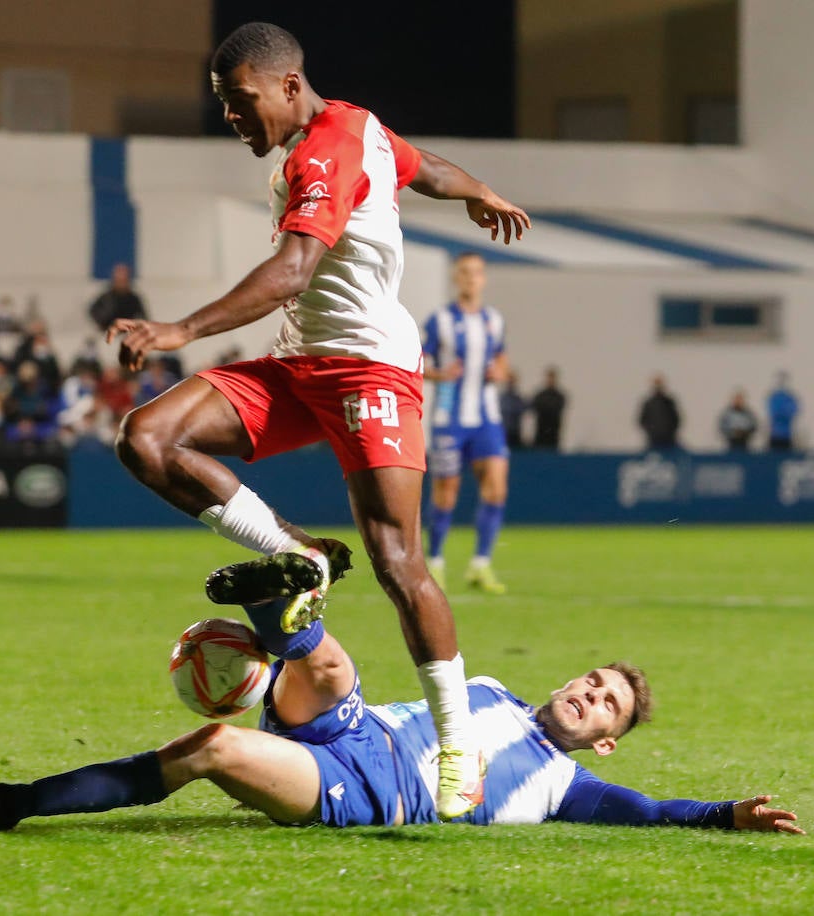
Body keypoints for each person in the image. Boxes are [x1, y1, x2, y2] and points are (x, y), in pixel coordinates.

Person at [104, 22, 531, 820]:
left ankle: (459, 743)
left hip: (370, 370)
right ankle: (296, 552)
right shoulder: (359, 125)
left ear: (289, 86)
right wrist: (477, 191)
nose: (233, 118)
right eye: (226, 106)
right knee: (148, 438)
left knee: (399, 559)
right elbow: (424, 168)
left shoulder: (323, 151)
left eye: (241, 102)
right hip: (301, 368)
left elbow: (294, 268)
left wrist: (179, 332)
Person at [0, 554, 803, 835]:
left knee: (212, 749)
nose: (590, 693)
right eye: (592, 679)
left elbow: (654, 814)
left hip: (364, 790)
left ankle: (15, 803)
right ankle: (283, 607)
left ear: (606, 740)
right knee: (331, 670)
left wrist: (726, 815)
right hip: (354, 726)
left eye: (607, 703)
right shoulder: (494, 689)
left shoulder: (567, 788)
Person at [421, 252, 511, 595]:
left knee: (497, 486)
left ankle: (480, 564)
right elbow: (418, 361)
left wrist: (500, 372)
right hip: (449, 417)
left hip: (487, 417)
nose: (471, 278)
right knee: (447, 491)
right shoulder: (441, 320)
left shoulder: (494, 320)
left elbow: (502, 358)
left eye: (476, 273)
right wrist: (440, 374)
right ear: (456, 278)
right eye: (465, 273)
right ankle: (436, 561)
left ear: (483, 278)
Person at [88, 263, 148, 332]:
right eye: (118, 279)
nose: (121, 282)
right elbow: (94, 312)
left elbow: (143, 318)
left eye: (123, 279)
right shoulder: (106, 298)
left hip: (127, 334)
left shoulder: (134, 299)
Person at [638, 374, 681, 451]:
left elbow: (676, 419)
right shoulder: (649, 403)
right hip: (653, 440)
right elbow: (642, 420)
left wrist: (670, 431)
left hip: (669, 439)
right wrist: (651, 431)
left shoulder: (668, 402)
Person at [530, 366, 567, 450]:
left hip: (553, 432)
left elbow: (558, 408)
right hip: (541, 432)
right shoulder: (540, 395)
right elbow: (535, 408)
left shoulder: (559, 396)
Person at [767, 372, 800, 451]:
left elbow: (794, 410)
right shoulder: (773, 397)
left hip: (787, 435)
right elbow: (773, 412)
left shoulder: (790, 397)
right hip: (775, 434)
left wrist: (783, 413)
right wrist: (784, 412)